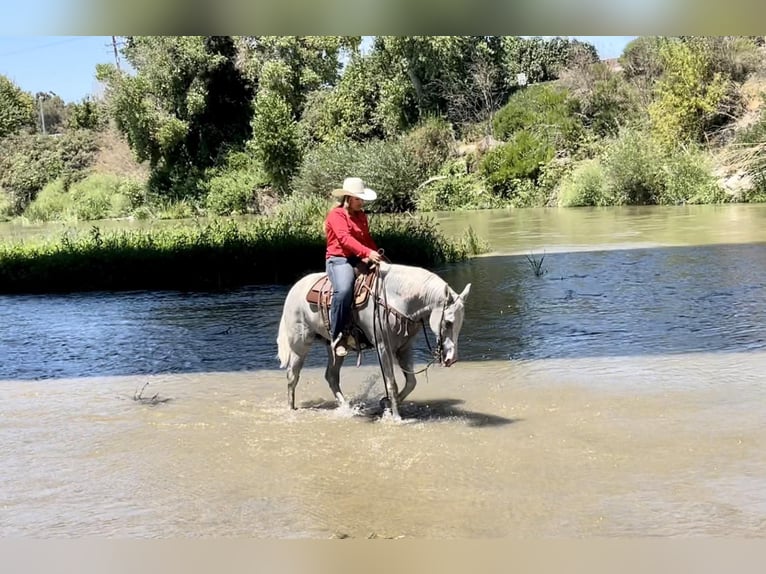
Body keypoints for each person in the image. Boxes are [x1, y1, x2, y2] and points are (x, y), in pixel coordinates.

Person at [325, 177, 383, 357]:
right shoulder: (336, 215)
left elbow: (366, 239)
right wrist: (367, 253)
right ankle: (337, 336)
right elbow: (344, 239)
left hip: (358, 259)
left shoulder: (361, 216)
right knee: (343, 291)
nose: (361, 202)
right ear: (348, 198)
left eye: (362, 199)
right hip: (338, 260)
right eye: (358, 199)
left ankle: (372, 329)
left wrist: (376, 255)